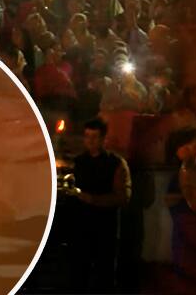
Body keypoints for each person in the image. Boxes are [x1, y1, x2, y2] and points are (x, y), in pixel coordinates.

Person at [69, 118, 131, 293]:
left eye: (94, 137)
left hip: (105, 227)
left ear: (103, 139)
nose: (90, 141)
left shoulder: (116, 163)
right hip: (81, 227)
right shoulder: (79, 162)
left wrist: (91, 199)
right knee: (79, 272)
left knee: (104, 273)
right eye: (87, 136)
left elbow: (123, 197)